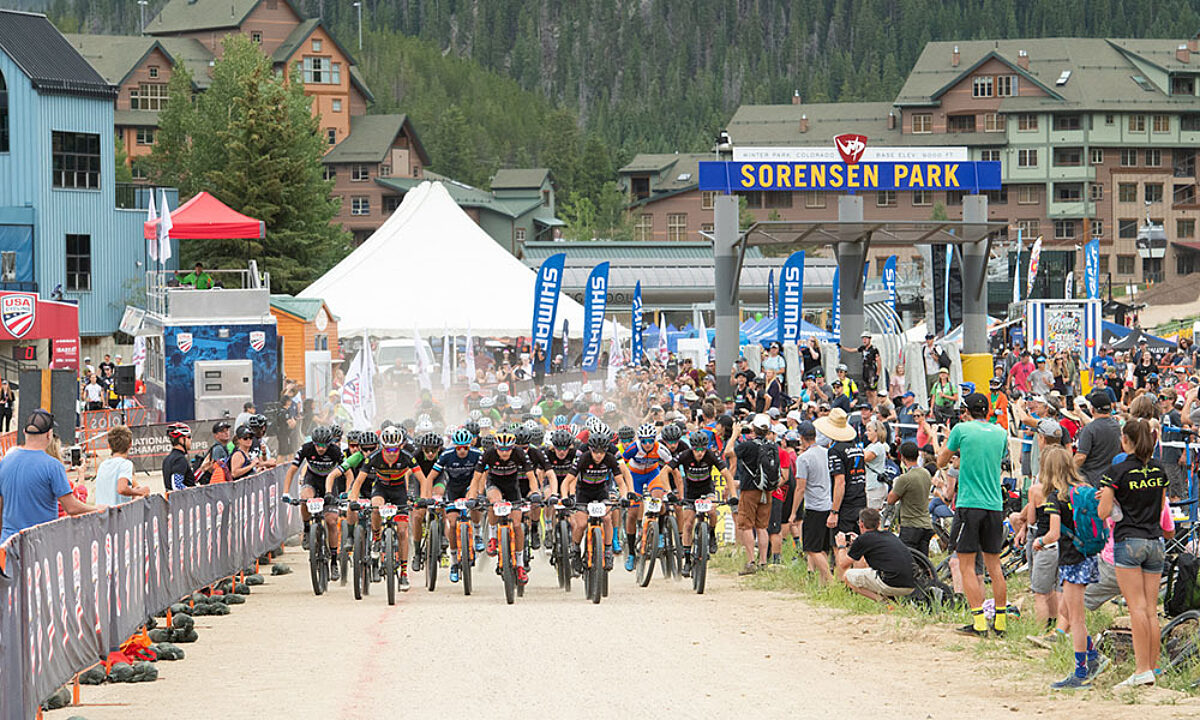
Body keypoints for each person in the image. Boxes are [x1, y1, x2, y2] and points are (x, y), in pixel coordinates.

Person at [1099, 419, 1170, 688]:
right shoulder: (1159, 469)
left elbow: (1104, 513)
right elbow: (1161, 507)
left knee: (1136, 608)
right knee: (1152, 610)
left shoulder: (1116, 471)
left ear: (1125, 441)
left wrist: (1112, 500)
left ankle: (1141, 671)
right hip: (1155, 541)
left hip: (1129, 540)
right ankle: (1153, 666)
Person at [938, 393, 1010, 637]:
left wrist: (956, 452)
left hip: (970, 503)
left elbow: (940, 461)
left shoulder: (961, 429)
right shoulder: (1000, 432)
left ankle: (979, 622)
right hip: (994, 504)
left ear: (967, 411)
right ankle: (1000, 622)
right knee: (995, 565)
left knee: (966, 564)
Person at [1035, 445, 1108, 689]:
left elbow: (1053, 533)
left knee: (1076, 618)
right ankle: (1095, 658)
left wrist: (1039, 541)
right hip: (1088, 555)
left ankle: (1081, 672)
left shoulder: (1057, 498)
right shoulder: (1086, 490)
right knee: (1066, 611)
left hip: (1071, 560)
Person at [0, 410, 103, 542]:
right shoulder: (53, 466)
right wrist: (96, 509)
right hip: (40, 541)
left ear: (25, 432)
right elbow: (71, 507)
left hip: (9, 542)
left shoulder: (5, 462)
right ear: (49, 435)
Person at [835, 507, 916, 601]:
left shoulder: (864, 540)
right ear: (878, 523)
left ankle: (884, 603)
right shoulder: (889, 535)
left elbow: (843, 564)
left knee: (847, 576)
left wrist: (841, 546)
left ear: (861, 524)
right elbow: (872, 541)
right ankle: (893, 603)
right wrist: (858, 541)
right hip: (911, 584)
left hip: (891, 583)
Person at [733, 414, 776, 575]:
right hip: (767, 490)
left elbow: (729, 452)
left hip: (749, 489)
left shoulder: (748, 446)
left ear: (753, 429)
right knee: (762, 527)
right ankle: (763, 561)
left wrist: (735, 434)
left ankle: (751, 562)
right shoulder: (772, 446)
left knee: (746, 525)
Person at [886, 441, 933, 556]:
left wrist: (894, 485)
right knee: (923, 562)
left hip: (911, 526)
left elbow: (890, 500)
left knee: (905, 560)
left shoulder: (905, 478)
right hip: (926, 524)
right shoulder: (926, 473)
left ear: (902, 457)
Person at [1074, 391, 1122, 486]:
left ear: (1092, 410)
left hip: (1089, 480)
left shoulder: (1089, 429)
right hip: (1110, 478)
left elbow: (1081, 457)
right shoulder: (1117, 426)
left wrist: (1067, 471)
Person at [93, 425, 146, 506]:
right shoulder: (125, 464)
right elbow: (122, 488)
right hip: (116, 514)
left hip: (101, 514)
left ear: (109, 446)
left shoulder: (103, 465)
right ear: (130, 444)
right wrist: (140, 492)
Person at [162, 422, 196, 491]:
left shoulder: (167, 459)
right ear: (181, 439)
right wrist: (195, 490)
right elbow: (177, 485)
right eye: (188, 437)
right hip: (183, 500)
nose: (191, 439)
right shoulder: (180, 459)